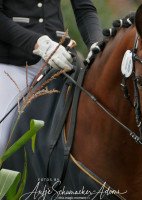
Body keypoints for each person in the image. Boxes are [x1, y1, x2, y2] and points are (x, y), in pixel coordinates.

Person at [0, 0, 103, 156]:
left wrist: (97, 44)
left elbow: (84, 9)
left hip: (62, 61)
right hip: (14, 64)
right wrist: (38, 43)